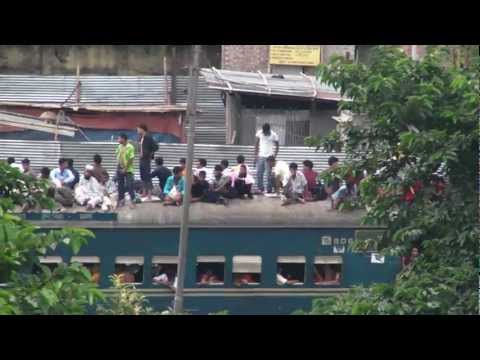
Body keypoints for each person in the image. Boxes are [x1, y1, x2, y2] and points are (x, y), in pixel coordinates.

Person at [254, 123, 279, 194]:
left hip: (269, 158)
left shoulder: (274, 135)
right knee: (259, 173)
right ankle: (260, 189)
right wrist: (256, 155)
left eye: (266, 132)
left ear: (269, 130)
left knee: (268, 174)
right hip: (260, 156)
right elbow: (256, 144)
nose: (264, 133)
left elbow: (277, 146)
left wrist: (274, 156)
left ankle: (269, 190)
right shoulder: (259, 133)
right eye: (263, 132)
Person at [137, 124, 158, 201]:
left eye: (138, 129)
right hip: (141, 158)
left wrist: (149, 154)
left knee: (147, 176)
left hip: (146, 159)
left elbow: (156, 147)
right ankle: (144, 192)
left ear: (143, 129)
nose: (137, 131)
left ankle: (149, 194)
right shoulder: (140, 138)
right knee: (142, 175)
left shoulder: (148, 137)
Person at [115, 133, 136, 209]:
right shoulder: (119, 146)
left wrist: (125, 169)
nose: (118, 140)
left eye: (119, 138)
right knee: (120, 185)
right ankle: (121, 200)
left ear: (123, 139)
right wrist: (119, 167)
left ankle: (133, 201)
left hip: (128, 170)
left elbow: (131, 159)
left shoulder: (130, 147)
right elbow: (118, 156)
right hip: (119, 168)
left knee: (130, 185)